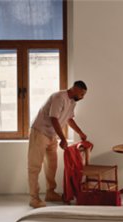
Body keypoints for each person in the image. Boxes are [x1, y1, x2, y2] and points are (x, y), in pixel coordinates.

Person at [27, 80, 88, 208]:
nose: (82, 97)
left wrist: (81, 133)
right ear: (75, 89)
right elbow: (53, 118)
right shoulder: (59, 97)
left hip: (52, 134)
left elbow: (69, 119)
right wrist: (63, 139)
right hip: (40, 132)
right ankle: (34, 198)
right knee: (35, 166)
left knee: (52, 166)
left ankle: (50, 193)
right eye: (82, 94)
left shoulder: (72, 102)